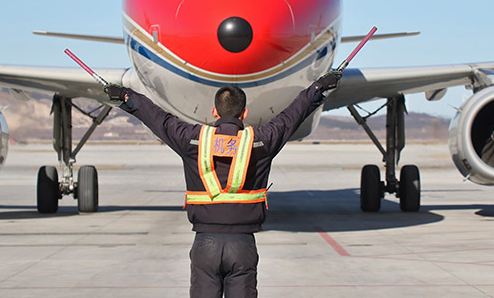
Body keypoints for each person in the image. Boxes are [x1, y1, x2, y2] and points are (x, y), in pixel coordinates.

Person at [105, 70, 341, 298]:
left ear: (214, 112)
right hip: (243, 244)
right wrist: (318, 89)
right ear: (244, 113)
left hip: (205, 244)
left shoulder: (192, 140)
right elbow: (291, 116)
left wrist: (127, 97)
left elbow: (160, 120)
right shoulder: (261, 141)